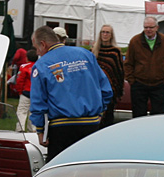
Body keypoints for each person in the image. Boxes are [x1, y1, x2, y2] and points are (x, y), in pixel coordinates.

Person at [28, 25, 112, 161]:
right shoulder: (86, 55)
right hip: (91, 124)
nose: (37, 53)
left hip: (61, 127)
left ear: (43, 44)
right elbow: (106, 89)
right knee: (89, 170)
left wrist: (40, 130)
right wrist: (99, 112)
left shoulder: (42, 64)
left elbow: (38, 102)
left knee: (59, 173)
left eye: (37, 48)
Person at [124, 16, 164, 117]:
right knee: (138, 114)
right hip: (139, 84)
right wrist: (132, 80)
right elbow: (128, 63)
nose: (148, 30)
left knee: (158, 116)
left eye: (151, 27)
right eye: (146, 27)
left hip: (158, 84)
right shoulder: (135, 41)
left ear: (157, 27)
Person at [92, 24, 124, 127]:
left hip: (109, 90)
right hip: (95, 90)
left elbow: (119, 71)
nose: (105, 34)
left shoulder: (115, 52)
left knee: (108, 118)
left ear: (111, 35)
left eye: (107, 32)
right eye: (103, 32)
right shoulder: (94, 51)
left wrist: (118, 88)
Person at [14, 48, 36, 132]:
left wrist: (19, 91)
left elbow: (20, 80)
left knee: (22, 111)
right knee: (33, 112)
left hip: (26, 92)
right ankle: (33, 130)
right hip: (36, 94)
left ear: (27, 58)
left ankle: (20, 128)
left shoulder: (24, 67)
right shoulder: (40, 66)